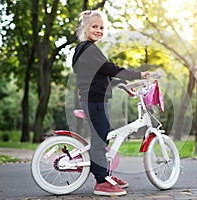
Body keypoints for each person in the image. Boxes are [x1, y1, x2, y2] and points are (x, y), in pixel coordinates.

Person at [72, 10, 149, 196]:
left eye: (101, 27)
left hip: (95, 99)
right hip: (94, 100)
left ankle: (106, 175)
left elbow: (101, 76)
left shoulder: (88, 50)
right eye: (94, 27)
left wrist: (123, 85)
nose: (98, 30)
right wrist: (137, 75)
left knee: (103, 136)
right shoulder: (89, 49)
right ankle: (101, 182)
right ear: (84, 28)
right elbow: (109, 69)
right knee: (100, 138)